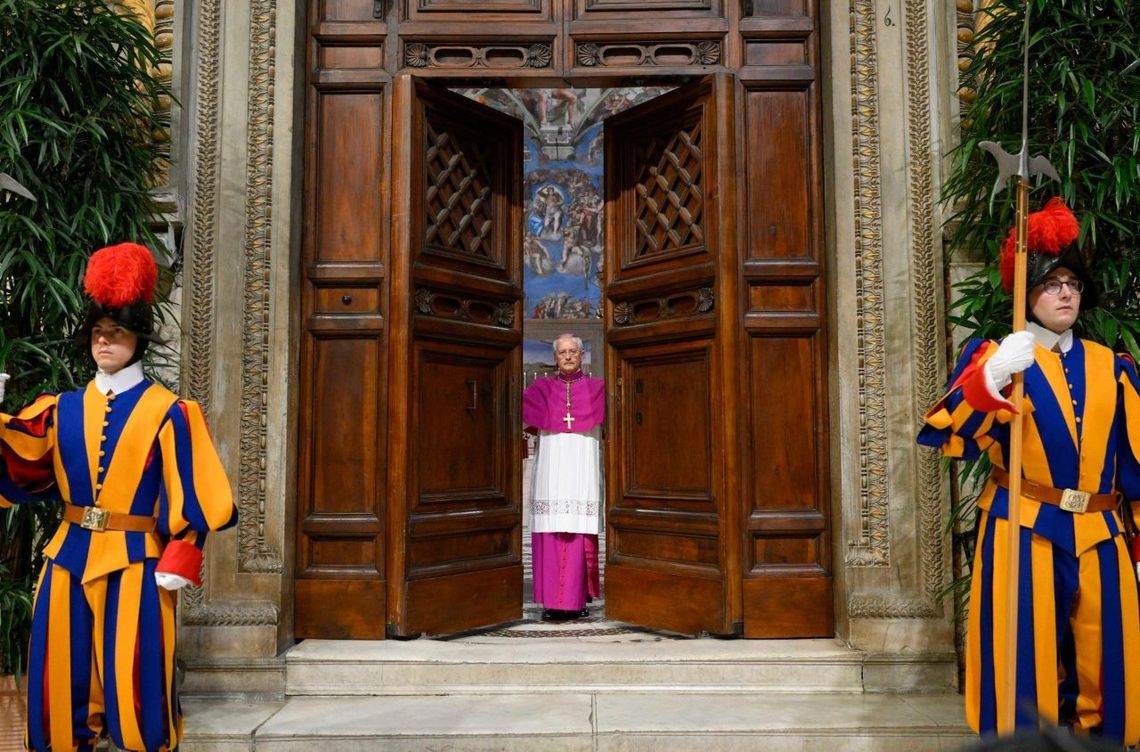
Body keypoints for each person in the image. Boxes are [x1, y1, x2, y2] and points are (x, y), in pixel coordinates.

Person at [917, 198, 1140, 745]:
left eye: (1073, 283)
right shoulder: (996, 357)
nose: (1065, 293)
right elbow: (953, 434)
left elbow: (1134, 464)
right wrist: (988, 379)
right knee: (1025, 661)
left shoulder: (1114, 366)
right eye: (1050, 283)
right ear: (1026, 291)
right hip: (1024, 524)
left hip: (1102, 533)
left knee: (1106, 663)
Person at [0, 242, 238, 752]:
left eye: (117, 333)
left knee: (138, 679)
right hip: (66, 555)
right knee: (60, 680)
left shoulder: (171, 411)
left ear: (138, 340)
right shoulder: (59, 408)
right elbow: (20, 466)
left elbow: (193, 488)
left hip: (138, 561)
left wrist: (183, 552)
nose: (104, 342)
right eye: (98, 334)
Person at [522, 333, 604, 621]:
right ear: (554, 357)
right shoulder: (539, 389)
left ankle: (578, 597)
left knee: (579, 530)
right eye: (562, 352)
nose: (568, 357)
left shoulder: (599, 389)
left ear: (582, 355)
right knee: (552, 528)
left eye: (573, 352)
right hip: (551, 469)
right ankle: (551, 602)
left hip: (583, 465)